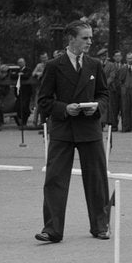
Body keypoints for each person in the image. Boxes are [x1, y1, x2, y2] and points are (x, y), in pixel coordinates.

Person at [35, 19, 110, 243]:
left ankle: (100, 226)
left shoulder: (95, 65)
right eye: (85, 38)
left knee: (97, 180)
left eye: (90, 37)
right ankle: (52, 229)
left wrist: (97, 108)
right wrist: (64, 108)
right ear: (71, 39)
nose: (90, 42)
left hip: (89, 129)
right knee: (55, 179)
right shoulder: (53, 66)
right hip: (63, 129)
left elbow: (104, 95)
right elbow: (44, 101)